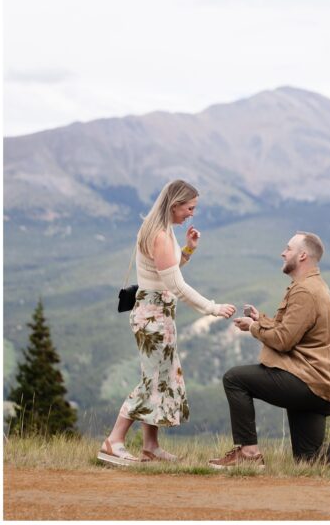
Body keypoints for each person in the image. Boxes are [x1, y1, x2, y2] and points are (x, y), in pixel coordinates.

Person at [210, 232, 330, 470]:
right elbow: (293, 330)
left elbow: (284, 340)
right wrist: (262, 320)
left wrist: (254, 328)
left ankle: (248, 452)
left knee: (235, 379)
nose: (282, 252)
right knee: (308, 459)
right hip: (318, 385)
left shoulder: (305, 291)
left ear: (302, 255)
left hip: (305, 381)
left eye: (287, 248)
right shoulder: (310, 286)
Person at [98, 180, 236, 466]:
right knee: (152, 381)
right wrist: (212, 307)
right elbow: (175, 284)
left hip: (158, 313)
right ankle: (113, 441)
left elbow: (166, 272)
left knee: (159, 379)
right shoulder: (159, 235)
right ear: (174, 204)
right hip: (153, 316)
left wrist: (188, 250)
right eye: (189, 208)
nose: (191, 214)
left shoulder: (163, 231)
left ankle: (151, 446)